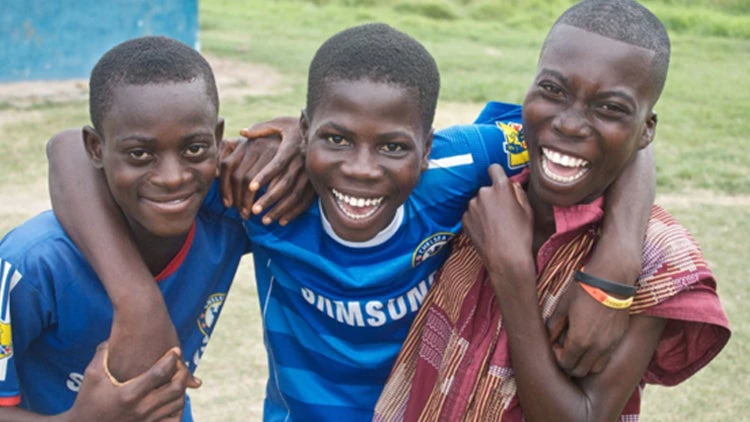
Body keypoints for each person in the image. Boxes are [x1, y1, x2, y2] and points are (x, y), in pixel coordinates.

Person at [47, 24, 656, 420]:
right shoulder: (260, 186)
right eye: (336, 139)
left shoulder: (461, 163)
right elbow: (70, 149)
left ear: (428, 143)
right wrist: (139, 301)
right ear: (305, 131)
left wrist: (621, 255)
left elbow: (599, 139)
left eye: (392, 147)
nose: (361, 170)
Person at [373, 1, 731, 420]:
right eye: (553, 91)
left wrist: (513, 273)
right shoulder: (481, 181)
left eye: (610, 108)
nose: (570, 124)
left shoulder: (654, 261)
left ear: (646, 130)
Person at [0, 36, 255, 420]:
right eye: (140, 154)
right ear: (95, 149)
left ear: (219, 141)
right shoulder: (31, 266)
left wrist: (289, 138)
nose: (172, 178)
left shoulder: (227, 213)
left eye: (194, 149)